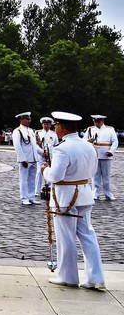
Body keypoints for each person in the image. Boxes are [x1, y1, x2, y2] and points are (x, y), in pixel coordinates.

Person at [43, 111, 105, 289]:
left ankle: (68, 276)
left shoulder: (62, 148)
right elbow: (92, 172)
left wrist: (44, 171)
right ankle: (96, 277)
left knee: (66, 237)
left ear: (61, 127)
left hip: (66, 198)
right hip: (84, 194)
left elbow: (55, 176)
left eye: (56, 126)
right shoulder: (88, 146)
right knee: (88, 235)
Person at [86, 115, 117, 200]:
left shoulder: (110, 129)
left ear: (102, 121)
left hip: (106, 154)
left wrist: (111, 151)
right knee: (95, 176)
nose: (96, 124)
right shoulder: (90, 129)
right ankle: (95, 193)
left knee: (106, 176)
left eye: (98, 122)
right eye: (95, 122)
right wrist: (88, 141)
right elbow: (83, 140)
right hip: (94, 154)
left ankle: (108, 194)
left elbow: (115, 141)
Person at [12, 112, 39, 205]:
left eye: (29, 119)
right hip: (25, 159)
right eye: (26, 119)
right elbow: (17, 146)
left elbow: (34, 145)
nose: (29, 121)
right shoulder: (17, 131)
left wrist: (43, 153)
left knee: (32, 179)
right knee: (24, 179)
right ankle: (24, 198)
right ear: (21, 120)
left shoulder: (31, 131)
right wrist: (22, 159)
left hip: (33, 159)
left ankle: (31, 197)